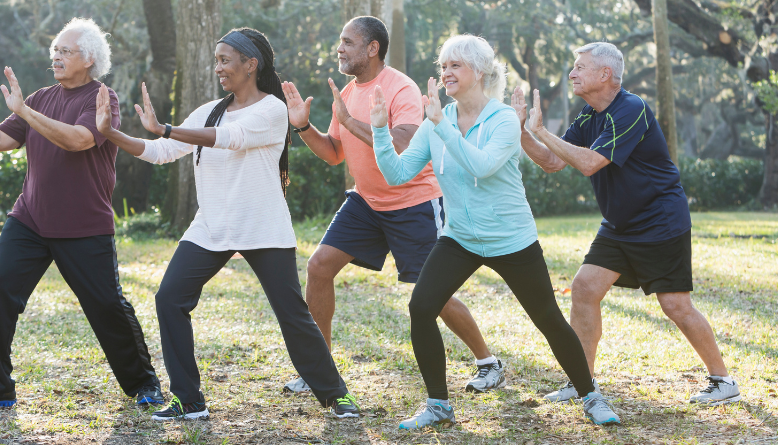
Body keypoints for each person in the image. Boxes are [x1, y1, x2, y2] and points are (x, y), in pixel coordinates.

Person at [95, 27, 361, 421]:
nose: (218, 67)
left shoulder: (272, 110)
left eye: (225, 60)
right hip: (212, 227)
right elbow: (162, 151)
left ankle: (335, 395)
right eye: (216, 60)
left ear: (250, 64)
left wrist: (165, 126)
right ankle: (189, 399)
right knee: (169, 298)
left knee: (292, 313)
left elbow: (230, 138)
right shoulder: (209, 110)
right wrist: (111, 133)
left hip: (262, 226)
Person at [370, 35, 621, 428]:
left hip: (511, 239)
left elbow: (481, 166)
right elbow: (397, 173)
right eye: (443, 66)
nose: (446, 73)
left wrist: (441, 125)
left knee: (548, 319)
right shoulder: (437, 119)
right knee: (421, 307)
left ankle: (591, 395)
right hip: (461, 238)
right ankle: (438, 404)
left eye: (456, 65)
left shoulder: (502, 118)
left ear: (481, 72)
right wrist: (379, 131)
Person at [281, 16, 504, 395]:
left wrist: (350, 122)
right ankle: (320, 368)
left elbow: (401, 142)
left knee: (435, 294)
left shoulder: (399, 86)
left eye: (348, 42)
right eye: (341, 41)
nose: (340, 49)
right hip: (367, 201)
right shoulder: (348, 94)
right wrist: (303, 127)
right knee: (319, 267)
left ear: (372, 48)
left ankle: (488, 362)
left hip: (412, 201)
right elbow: (335, 154)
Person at [512, 42, 740, 406]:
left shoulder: (631, 108)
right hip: (619, 224)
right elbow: (553, 162)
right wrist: (523, 130)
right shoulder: (589, 115)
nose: (572, 73)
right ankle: (582, 381)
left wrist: (541, 131)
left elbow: (589, 163)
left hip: (660, 220)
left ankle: (723, 379)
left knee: (676, 305)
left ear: (605, 74)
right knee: (585, 288)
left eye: (579, 67)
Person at [0, 18, 163, 408]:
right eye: (55, 50)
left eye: (65, 51)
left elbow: (80, 140)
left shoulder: (103, 98)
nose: (56, 56)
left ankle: (144, 383)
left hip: (84, 225)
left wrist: (26, 114)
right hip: (30, 218)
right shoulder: (39, 97)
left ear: (89, 59)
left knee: (106, 306)